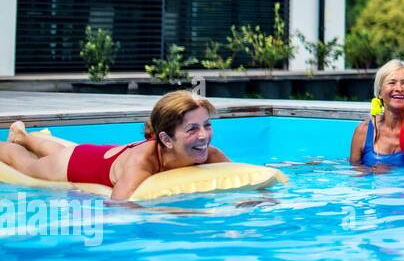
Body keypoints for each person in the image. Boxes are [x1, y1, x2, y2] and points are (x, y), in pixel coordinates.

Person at [0, 90, 231, 202]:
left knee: (60, 150)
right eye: (192, 129)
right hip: (79, 164)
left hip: (105, 153)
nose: (204, 136)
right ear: (167, 140)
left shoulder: (209, 153)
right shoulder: (141, 162)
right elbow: (119, 206)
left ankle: (24, 136)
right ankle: (16, 142)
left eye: (207, 125)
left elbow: (250, 183)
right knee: (27, 165)